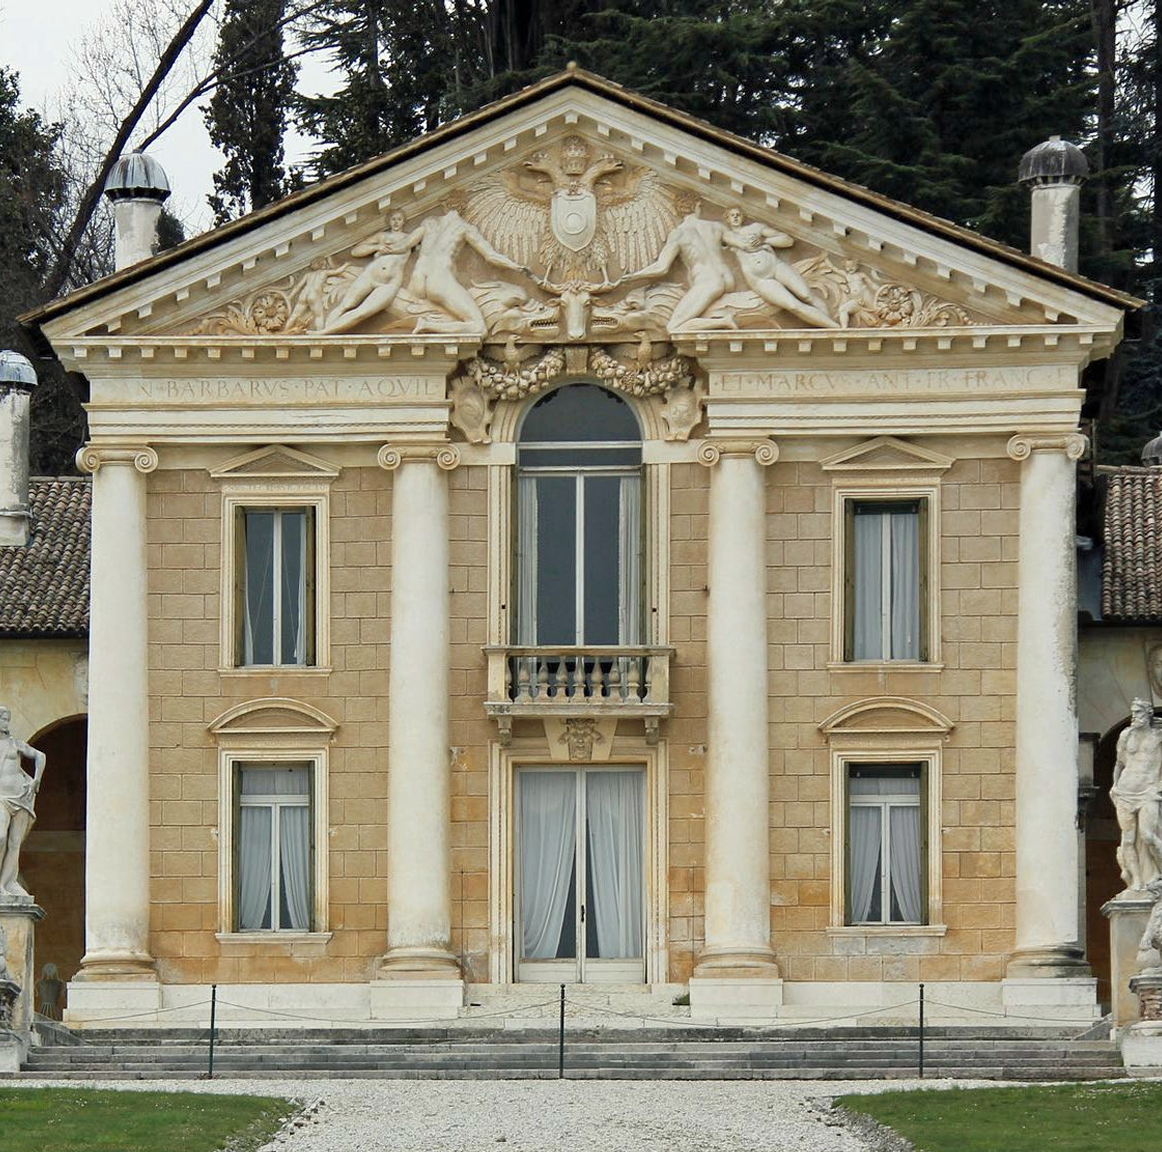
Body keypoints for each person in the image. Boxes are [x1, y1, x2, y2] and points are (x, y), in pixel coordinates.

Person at [388, 202, 529, 333]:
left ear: (445, 206)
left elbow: (404, 245)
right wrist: (516, 266)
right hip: (439, 280)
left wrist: (380, 249)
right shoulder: (463, 227)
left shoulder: (429, 222)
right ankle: (426, 325)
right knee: (479, 326)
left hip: (417, 280)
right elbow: (491, 256)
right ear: (463, 207)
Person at [619, 198, 737, 330]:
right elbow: (742, 242)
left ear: (676, 211)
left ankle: (724, 322)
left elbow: (661, 268)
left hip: (708, 281)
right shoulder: (716, 226)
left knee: (673, 327)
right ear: (698, 206)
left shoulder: (679, 233)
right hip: (728, 278)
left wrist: (634, 276)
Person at [720, 208, 839, 329]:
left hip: (776, 266)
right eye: (732, 215)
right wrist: (758, 244)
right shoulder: (728, 235)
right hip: (760, 280)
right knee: (793, 305)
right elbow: (744, 244)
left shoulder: (756, 228)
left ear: (742, 217)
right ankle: (835, 328)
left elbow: (787, 240)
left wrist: (764, 240)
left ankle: (831, 326)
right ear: (727, 219)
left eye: (738, 214)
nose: (735, 217)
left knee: (807, 295)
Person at [323, 212, 412, 333]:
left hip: (390, 282)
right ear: (389, 221)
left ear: (404, 221)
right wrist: (377, 247)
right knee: (345, 305)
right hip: (370, 275)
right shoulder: (382, 237)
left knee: (362, 312)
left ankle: (324, 332)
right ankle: (323, 332)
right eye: (393, 219)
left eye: (399, 219)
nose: (396, 222)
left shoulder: (410, 238)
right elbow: (356, 251)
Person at [1112, 698, 1162, 891]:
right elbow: (1119, 763)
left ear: (1148, 714)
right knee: (1128, 839)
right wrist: (1115, 786)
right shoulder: (1126, 735)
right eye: (1133, 712)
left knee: (1148, 835)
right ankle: (1137, 882)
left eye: (1139, 713)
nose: (1135, 717)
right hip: (1125, 792)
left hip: (1148, 791)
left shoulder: (1158, 736)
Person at [0, 705, 46, 900]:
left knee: (14, 842)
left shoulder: (14, 743)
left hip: (21, 797)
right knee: (1, 837)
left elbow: (40, 756)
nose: (5, 723)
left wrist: (36, 779)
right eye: (2, 718)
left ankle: (7, 883)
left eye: (6, 719)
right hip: (2, 798)